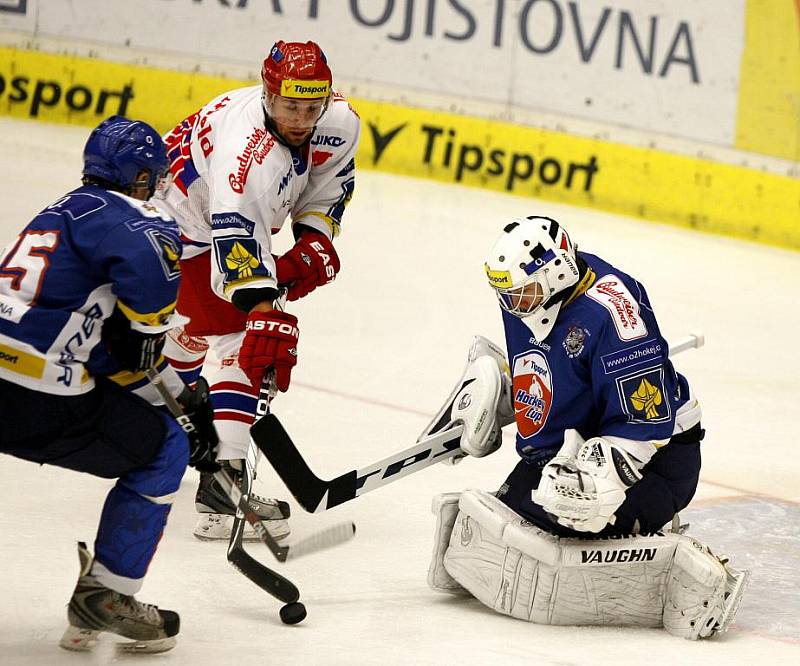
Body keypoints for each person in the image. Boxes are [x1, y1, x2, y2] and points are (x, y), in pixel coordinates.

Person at [423, 215, 748, 639]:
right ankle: (615, 518)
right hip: (577, 443)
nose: (514, 303)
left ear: (557, 272)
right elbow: (555, 367)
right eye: (506, 293)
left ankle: (660, 544)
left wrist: (601, 481)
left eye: (522, 292)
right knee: (514, 514)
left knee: (570, 517)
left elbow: (646, 422)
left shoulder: (614, 315)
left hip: (660, 455)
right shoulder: (535, 294)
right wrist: (508, 396)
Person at [0, 116, 213, 653]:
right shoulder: (139, 218)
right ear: (143, 179)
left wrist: (174, 391)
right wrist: (179, 404)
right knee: (165, 446)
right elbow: (140, 322)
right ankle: (108, 595)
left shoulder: (60, 212)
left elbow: (98, 344)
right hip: (39, 397)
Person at [158, 39, 360, 541]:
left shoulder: (338, 122)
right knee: (243, 340)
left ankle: (164, 437)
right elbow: (238, 244)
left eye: (313, 106)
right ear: (268, 94)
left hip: (206, 222)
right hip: (176, 232)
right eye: (291, 105)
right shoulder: (244, 158)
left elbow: (330, 182)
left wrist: (313, 240)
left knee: (189, 337)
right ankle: (223, 488)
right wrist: (264, 305)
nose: (301, 117)